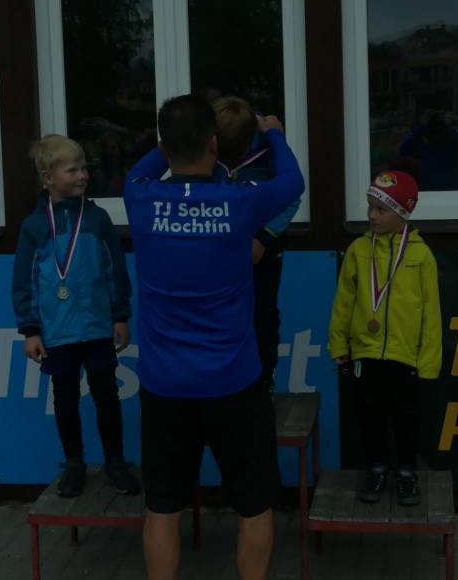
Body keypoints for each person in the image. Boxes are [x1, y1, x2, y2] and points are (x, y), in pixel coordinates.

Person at [124, 94, 304, 580]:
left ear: (165, 146)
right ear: (214, 144)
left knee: (163, 507)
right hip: (234, 383)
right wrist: (274, 133)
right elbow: (293, 182)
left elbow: (147, 164)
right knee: (254, 505)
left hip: (165, 386)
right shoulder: (241, 201)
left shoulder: (139, 197)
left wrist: (170, 143)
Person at [12, 134, 139, 498]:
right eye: (72, 170)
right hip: (57, 331)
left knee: (106, 395)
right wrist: (30, 330)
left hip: (98, 327)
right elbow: (23, 281)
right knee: (65, 398)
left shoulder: (98, 219)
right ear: (47, 178)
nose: (82, 175)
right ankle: (74, 463)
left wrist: (119, 315)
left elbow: (116, 270)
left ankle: (115, 461)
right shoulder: (34, 227)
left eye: (84, 168)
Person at [328, 170, 441, 506]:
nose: (372, 215)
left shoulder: (421, 255)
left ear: (403, 212)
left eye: (381, 209)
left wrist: (428, 361)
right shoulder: (358, 250)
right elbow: (343, 303)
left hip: (405, 354)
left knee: (406, 416)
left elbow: (431, 313)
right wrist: (339, 344)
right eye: (370, 207)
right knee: (369, 414)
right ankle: (375, 468)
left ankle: (406, 472)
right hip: (365, 352)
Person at [211, 96, 301, 391]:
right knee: (220, 312)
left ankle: (264, 380)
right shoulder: (207, 148)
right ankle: (223, 379)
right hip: (220, 250)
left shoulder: (269, 150)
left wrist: (263, 237)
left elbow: (292, 197)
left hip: (263, 249)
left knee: (263, 313)